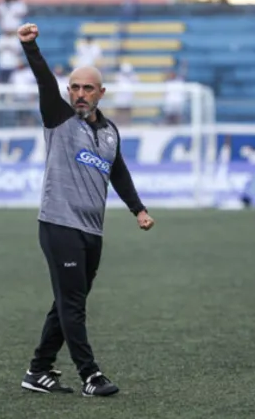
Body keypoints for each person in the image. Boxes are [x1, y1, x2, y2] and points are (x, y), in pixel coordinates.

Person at [15, 22, 155, 397]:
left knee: (68, 301)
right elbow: (45, 81)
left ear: (101, 93)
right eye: (74, 87)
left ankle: (38, 370)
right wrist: (31, 48)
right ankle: (90, 376)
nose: (79, 93)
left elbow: (119, 171)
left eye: (87, 88)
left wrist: (137, 209)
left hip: (92, 230)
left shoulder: (109, 132)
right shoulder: (59, 119)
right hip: (59, 224)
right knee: (73, 303)